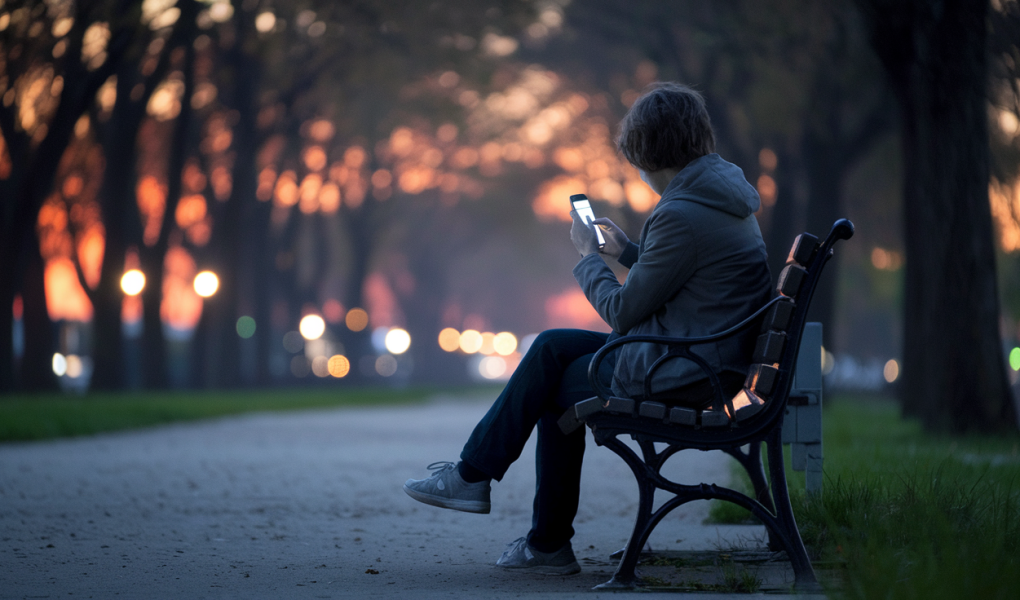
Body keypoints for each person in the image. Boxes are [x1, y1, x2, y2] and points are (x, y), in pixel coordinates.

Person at [403, 82, 772, 575]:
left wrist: (588, 257)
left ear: (647, 149)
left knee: (552, 386)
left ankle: (520, 519)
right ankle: (493, 496)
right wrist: (625, 252)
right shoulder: (720, 199)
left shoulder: (680, 215)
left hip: (682, 367)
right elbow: (689, 282)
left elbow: (622, 311)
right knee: (552, 347)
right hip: (702, 355)